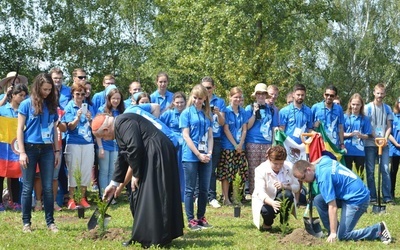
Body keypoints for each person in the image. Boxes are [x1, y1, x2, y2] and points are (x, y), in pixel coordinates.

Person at [93, 113, 184, 248]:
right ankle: (149, 236)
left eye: (102, 137)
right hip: (154, 152)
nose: (104, 140)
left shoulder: (122, 122)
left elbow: (135, 148)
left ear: (106, 130)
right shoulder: (120, 127)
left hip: (157, 152)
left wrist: (136, 173)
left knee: (153, 195)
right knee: (148, 195)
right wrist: (113, 184)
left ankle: (155, 237)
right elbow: (123, 156)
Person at [292, 156, 392, 244]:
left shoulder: (323, 178)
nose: (304, 182)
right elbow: (323, 157)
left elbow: (332, 206)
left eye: (303, 178)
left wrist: (333, 233)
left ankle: (378, 229)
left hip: (357, 199)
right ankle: (337, 228)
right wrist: (312, 163)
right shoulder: (323, 162)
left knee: (343, 236)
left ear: (309, 170)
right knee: (318, 200)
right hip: (348, 194)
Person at [17, 73, 60, 233]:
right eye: (44, 89)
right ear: (37, 87)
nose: (47, 92)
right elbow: (19, 129)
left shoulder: (52, 105)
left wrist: (56, 150)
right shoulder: (26, 104)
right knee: (28, 187)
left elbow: (54, 130)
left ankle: (51, 223)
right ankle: (26, 223)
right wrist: (22, 152)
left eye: (50, 89)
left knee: (48, 187)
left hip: (48, 149)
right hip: (29, 148)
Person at [179, 84, 214, 231]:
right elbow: (186, 136)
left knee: (204, 189)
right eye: (195, 97)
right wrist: (198, 154)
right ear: (191, 97)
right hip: (191, 156)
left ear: (205, 98)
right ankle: (190, 219)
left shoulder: (207, 114)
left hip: (206, 155)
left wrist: (209, 153)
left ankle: (201, 217)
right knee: (190, 189)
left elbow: (210, 136)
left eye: (200, 98)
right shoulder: (186, 113)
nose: (197, 101)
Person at [251, 145, 299, 230]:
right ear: (269, 159)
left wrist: (285, 186)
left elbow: (297, 187)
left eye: (281, 163)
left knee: (287, 195)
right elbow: (260, 192)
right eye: (275, 163)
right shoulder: (260, 169)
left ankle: (284, 223)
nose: (278, 166)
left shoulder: (289, 167)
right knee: (266, 211)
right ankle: (267, 224)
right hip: (266, 200)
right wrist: (271, 203)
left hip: (281, 196)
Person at [63, 83, 95, 209]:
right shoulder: (69, 107)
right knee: (73, 170)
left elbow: (94, 128)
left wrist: (90, 119)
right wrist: (77, 117)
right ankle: (71, 199)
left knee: (86, 170)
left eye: (83, 94)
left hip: (88, 142)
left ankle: (81, 198)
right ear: (72, 94)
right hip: (74, 142)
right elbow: (69, 127)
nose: (80, 96)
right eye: (77, 94)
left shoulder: (89, 107)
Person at [245, 83, 279, 195]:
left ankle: (265, 193)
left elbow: (274, 127)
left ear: (266, 95)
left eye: (263, 94)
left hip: (267, 143)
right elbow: (247, 126)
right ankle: (253, 192)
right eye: (258, 94)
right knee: (253, 169)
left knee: (266, 169)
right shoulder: (249, 108)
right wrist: (254, 114)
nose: (260, 96)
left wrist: (274, 144)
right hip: (252, 142)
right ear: (255, 95)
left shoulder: (272, 109)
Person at [217, 87, 248, 205]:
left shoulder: (243, 111)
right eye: (235, 97)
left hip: (241, 146)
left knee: (238, 172)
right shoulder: (226, 111)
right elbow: (226, 129)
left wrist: (240, 144)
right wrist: (235, 144)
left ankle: (236, 197)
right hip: (228, 146)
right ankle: (226, 198)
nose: (238, 99)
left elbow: (245, 129)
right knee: (227, 173)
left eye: (240, 97)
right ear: (230, 97)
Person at [0, 84, 28, 211]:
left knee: (15, 174)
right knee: (0, 175)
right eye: (20, 95)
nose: (23, 98)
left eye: (24, 95)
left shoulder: (24, 111)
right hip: (2, 147)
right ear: (13, 95)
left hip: (16, 147)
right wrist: (5, 97)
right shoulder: (3, 109)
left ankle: (15, 201)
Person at [364, 83, 393, 204]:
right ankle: (372, 196)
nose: (380, 96)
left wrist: (385, 139)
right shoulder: (367, 108)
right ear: (374, 93)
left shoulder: (387, 108)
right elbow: (367, 126)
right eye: (378, 93)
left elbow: (389, 126)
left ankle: (387, 196)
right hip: (370, 143)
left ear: (384, 94)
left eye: (382, 93)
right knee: (370, 170)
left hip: (384, 143)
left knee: (385, 169)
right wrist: (377, 138)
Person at [201, 76, 225, 208]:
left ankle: (211, 196)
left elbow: (222, 123)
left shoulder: (220, 102)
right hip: (201, 138)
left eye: (209, 88)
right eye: (204, 87)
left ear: (213, 88)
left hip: (215, 138)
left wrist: (218, 113)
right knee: (199, 167)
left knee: (211, 168)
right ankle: (199, 196)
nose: (206, 90)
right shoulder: (198, 100)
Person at [96, 88, 124, 198]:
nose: (116, 101)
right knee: (104, 171)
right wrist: (100, 147)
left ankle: (111, 196)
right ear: (109, 99)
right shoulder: (101, 110)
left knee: (113, 171)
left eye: (118, 98)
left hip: (117, 146)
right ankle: (104, 195)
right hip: (104, 145)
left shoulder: (122, 111)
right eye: (113, 98)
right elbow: (97, 130)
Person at [160, 92, 187, 201]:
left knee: (183, 171)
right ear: (173, 103)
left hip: (185, 146)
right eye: (177, 102)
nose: (179, 105)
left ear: (185, 103)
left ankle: (183, 196)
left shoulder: (187, 113)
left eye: (182, 102)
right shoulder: (168, 114)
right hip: (172, 147)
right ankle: (169, 194)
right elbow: (160, 126)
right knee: (170, 170)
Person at [343, 93, 371, 175]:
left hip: (360, 151)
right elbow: (340, 133)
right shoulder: (345, 117)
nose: (355, 107)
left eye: (357, 105)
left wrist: (361, 135)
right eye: (353, 104)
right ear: (350, 104)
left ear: (361, 105)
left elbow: (367, 135)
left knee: (360, 175)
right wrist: (350, 134)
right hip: (347, 150)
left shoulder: (365, 119)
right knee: (347, 174)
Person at [311, 85, 345, 149]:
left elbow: (340, 127)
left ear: (335, 97)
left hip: (334, 145)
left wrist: (342, 143)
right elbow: (309, 126)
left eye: (332, 96)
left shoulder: (339, 109)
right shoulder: (315, 107)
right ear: (324, 94)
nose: (329, 97)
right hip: (319, 144)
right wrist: (314, 125)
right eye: (327, 94)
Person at [388, 96, 400, 199]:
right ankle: (391, 193)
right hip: (395, 150)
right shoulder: (393, 116)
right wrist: (396, 143)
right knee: (393, 172)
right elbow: (389, 132)